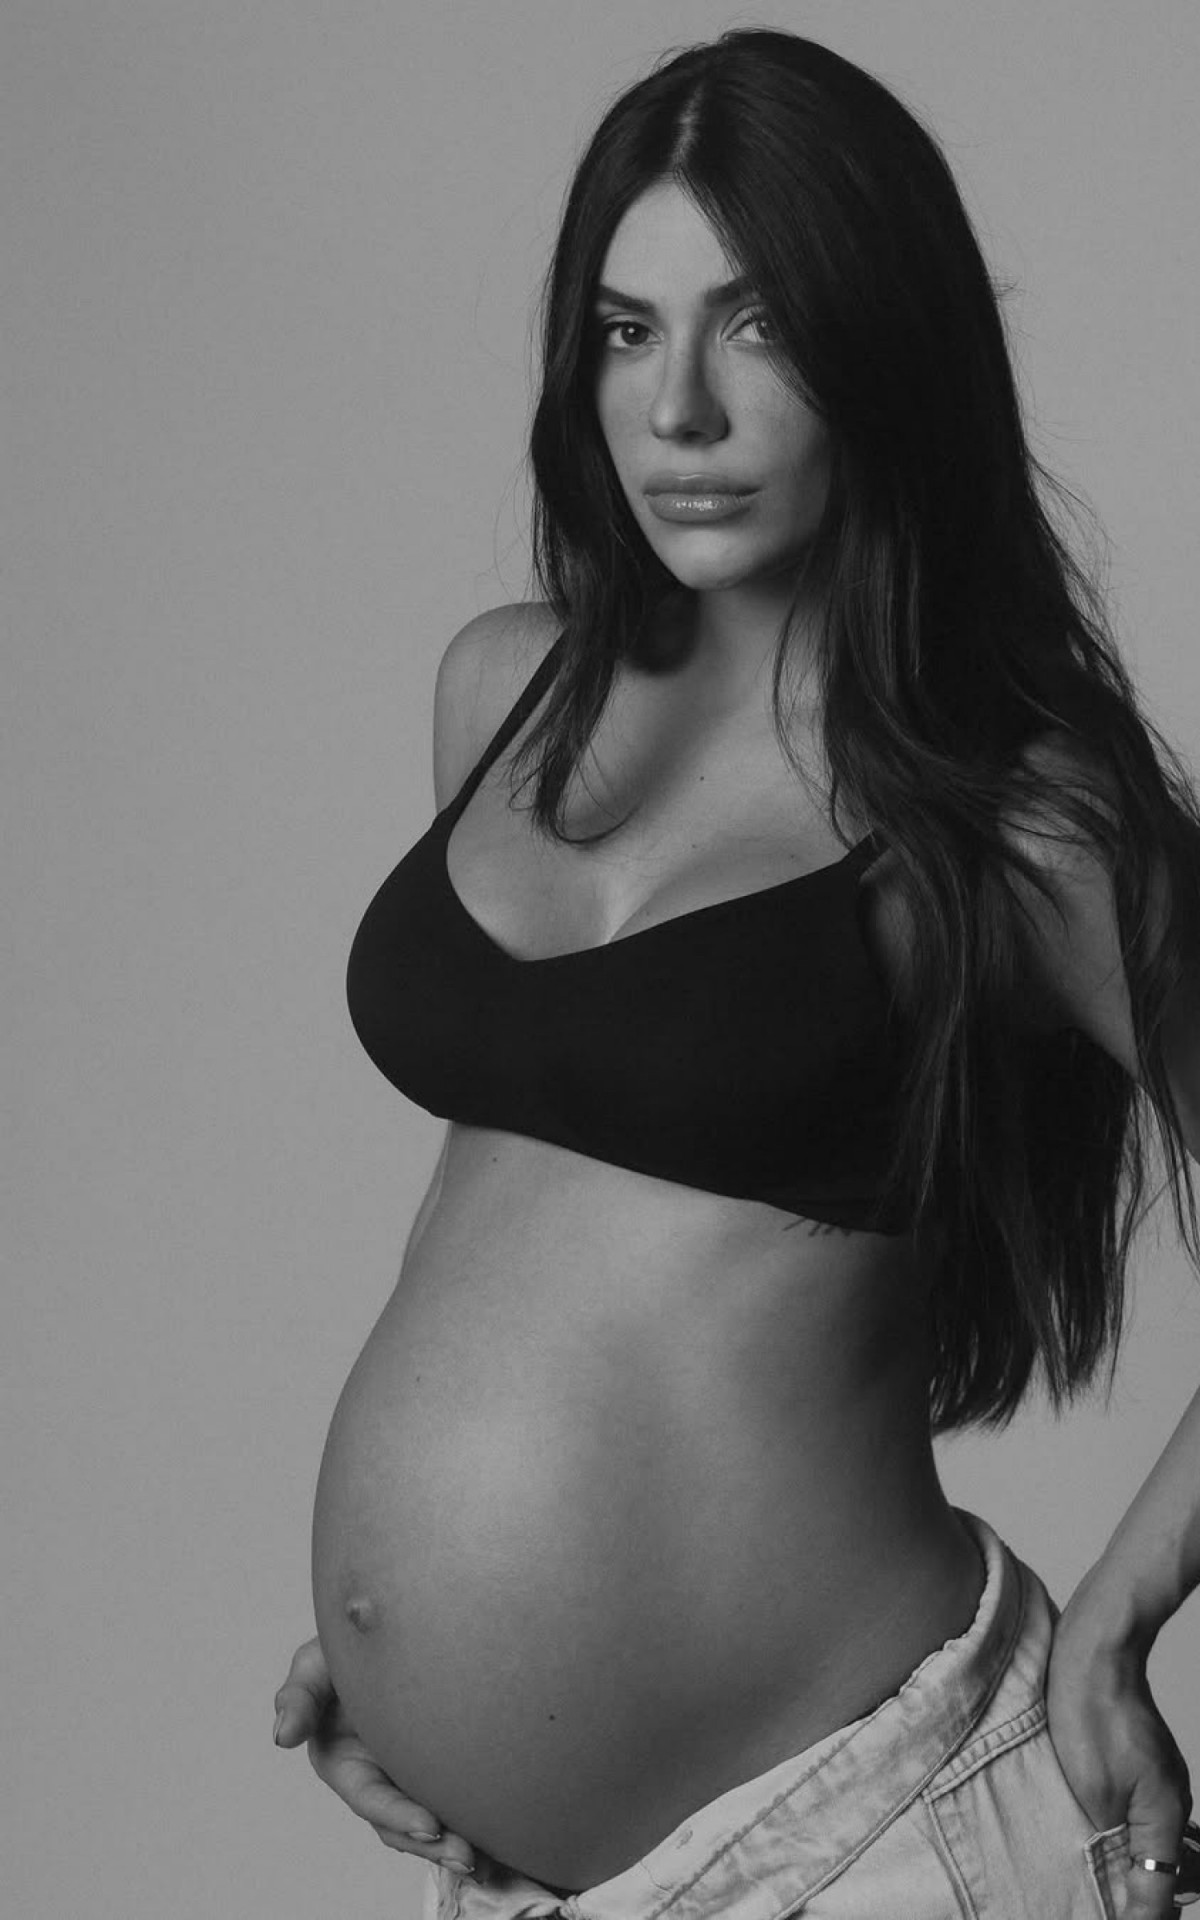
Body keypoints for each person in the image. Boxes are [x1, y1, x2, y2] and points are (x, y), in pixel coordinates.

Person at [274, 28, 1200, 1919]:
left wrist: (1122, 1616)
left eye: (755, 325)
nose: (677, 408)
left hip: (872, 1839)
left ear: (886, 354)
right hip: (517, 1872)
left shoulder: (1022, 819)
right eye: (628, 331)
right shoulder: (503, 691)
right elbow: (521, 1204)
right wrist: (410, 1644)